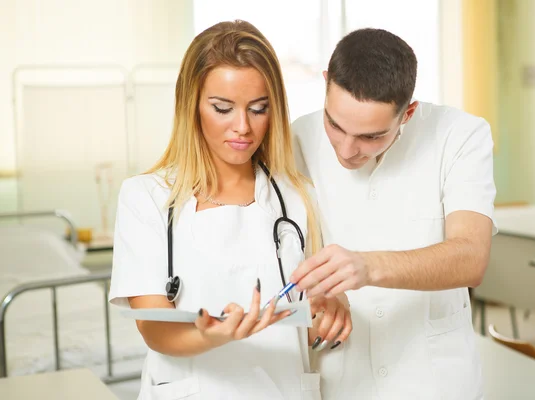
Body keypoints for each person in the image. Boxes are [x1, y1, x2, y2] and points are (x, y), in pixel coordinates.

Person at [108, 20, 351, 400]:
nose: (243, 127)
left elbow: (310, 321)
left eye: (258, 109)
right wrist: (210, 333)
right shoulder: (146, 197)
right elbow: (154, 328)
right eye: (223, 108)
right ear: (192, 106)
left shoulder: (297, 196)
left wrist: (327, 315)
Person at [289, 28, 497, 399]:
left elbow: (471, 257)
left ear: (409, 112)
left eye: (371, 136)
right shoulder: (294, 141)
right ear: (325, 85)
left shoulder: (460, 136)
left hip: (434, 381)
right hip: (340, 379)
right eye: (335, 125)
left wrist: (367, 268)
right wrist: (313, 301)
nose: (347, 149)